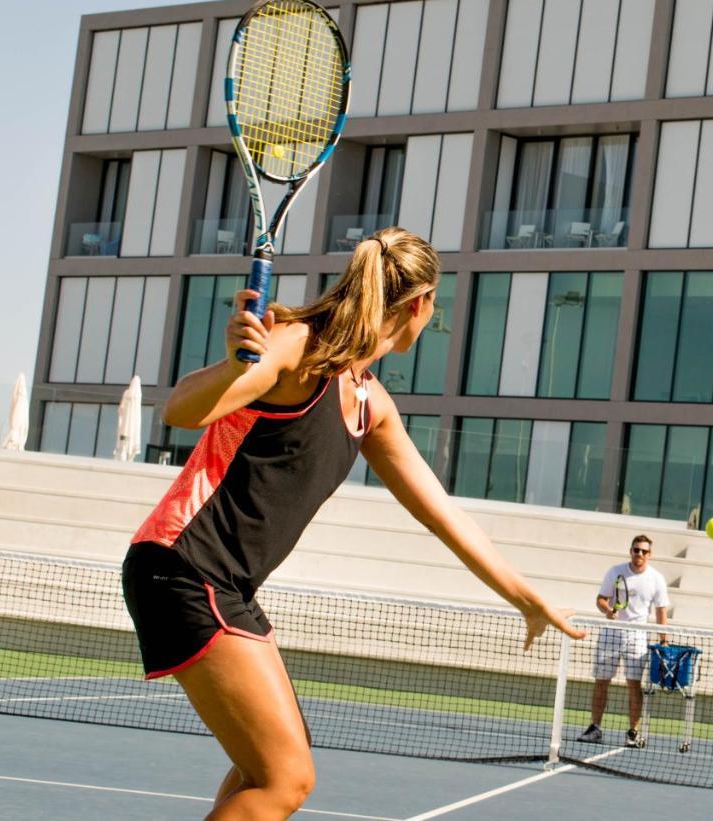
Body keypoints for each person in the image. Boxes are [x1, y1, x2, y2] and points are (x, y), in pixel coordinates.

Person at [121, 227, 585, 820]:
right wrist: (233, 364)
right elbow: (183, 411)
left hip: (221, 583)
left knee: (262, 770)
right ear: (419, 304)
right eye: (434, 306)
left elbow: (441, 513)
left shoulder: (369, 404)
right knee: (286, 778)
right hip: (185, 568)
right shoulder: (297, 346)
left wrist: (527, 598)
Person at [576, 534, 669, 748]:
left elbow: (661, 613)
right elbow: (601, 599)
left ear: (649, 554)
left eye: (644, 551)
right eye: (636, 550)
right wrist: (608, 611)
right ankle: (595, 728)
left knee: (634, 684)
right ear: (631, 551)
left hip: (638, 636)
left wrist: (664, 641)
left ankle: (633, 732)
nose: (639, 554)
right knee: (601, 681)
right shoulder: (615, 571)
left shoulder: (656, 579)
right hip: (611, 633)